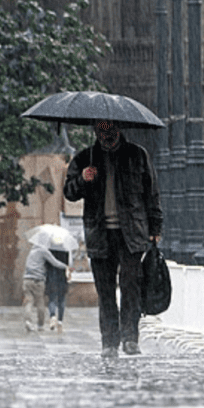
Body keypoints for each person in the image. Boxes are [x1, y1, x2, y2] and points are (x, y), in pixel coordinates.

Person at [63, 119, 163, 358]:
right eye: (99, 130)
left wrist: (155, 226)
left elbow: (152, 193)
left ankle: (130, 338)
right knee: (105, 291)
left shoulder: (137, 155)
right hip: (100, 234)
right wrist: (82, 180)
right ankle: (109, 341)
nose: (104, 135)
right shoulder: (85, 159)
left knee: (130, 287)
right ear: (95, 131)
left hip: (131, 233)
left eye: (108, 130)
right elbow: (69, 192)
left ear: (118, 129)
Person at [23, 244, 71, 332]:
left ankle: (28, 321)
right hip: (38, 280)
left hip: (27, 279)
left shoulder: (32, 251)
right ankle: (40, 325)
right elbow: (55, 262)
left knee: (29, 301)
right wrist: (66, 266)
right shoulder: (43, 251)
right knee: (40, 302)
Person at [45, 247, 70, 333]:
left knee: (52, 299)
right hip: (62, 278)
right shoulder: (65, 250)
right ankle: (60, 322)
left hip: (51, 277)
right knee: (61, 300)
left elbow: (46, 265)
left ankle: (52, 316)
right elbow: (67, 264)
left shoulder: (49, 250)